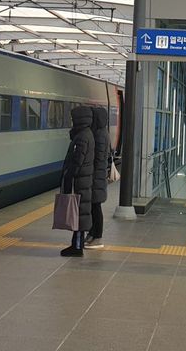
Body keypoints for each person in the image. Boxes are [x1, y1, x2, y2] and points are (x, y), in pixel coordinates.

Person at [60, 105, 95, 257]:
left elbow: (77, 160)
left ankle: (77, 247)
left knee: (79, 214)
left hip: (80, 182)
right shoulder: (87, 134)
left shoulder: (82, 137)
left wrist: (69, 176)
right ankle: (75, 244)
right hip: (84, 180)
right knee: (79, 213)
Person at [86, 106, 110, 249]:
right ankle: (92, 233)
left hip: (97, 176)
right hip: (97, 175)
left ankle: (98, 237)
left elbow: (98, 157)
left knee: (96, 207)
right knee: (92, 206)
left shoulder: (100, 135)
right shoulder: (101, 132)